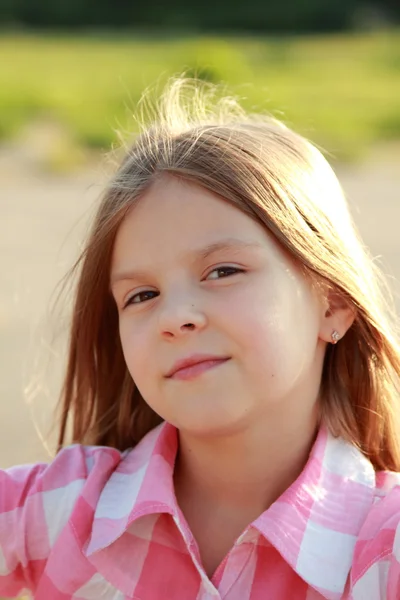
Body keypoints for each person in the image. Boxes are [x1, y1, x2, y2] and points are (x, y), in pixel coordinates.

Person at [1, 77, 400, 600]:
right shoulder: (59, 510)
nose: (176, 316)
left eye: (223, 271)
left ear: (334, 303)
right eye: (142, 295)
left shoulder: (384, 549)